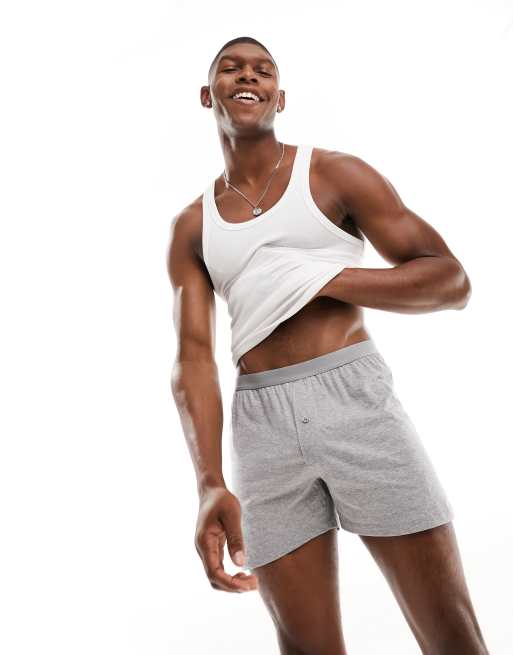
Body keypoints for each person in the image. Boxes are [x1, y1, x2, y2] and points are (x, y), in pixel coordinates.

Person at [167, 35, 490, 655]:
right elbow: (192, 360)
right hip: (261, 424)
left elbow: (451, 281)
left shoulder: (335, 175)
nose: (248, 77)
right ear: (208, 95)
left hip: (354, 402)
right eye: (231, 68)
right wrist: (209, 481)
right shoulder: (192, 225)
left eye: (263, 71)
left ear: (280, 97)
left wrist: (320, 279)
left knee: (452, 637)